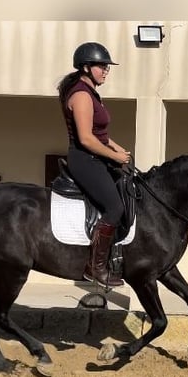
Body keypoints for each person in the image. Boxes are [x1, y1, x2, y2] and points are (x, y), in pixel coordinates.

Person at [57, 41, 132, 289]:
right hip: (84, 159)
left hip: (97, 156)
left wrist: (116, 147)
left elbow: (99, 133)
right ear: (86, 67)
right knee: (114, 207)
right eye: (102, 66)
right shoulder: (80, 95)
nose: (106, 71)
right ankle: (95, 268)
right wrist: (113, 157)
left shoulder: (91, 93)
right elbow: (86, 139)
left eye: (107, 67)